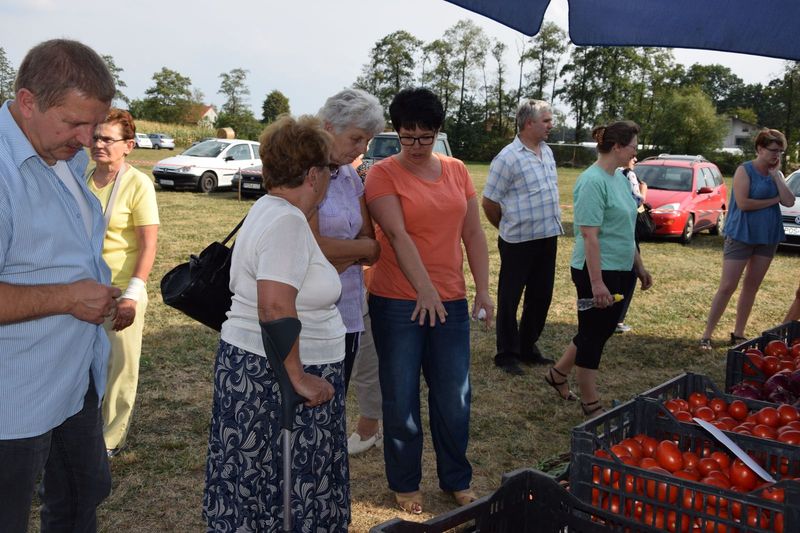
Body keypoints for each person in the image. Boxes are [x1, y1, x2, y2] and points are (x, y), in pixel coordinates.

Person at [204, 115, 349, 532]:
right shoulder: (285, 221)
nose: (330, 179)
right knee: (282, 490)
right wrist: (298, 376)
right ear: (312, 174)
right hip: (274, 379)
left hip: (258, 369)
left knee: (255, 485)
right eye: (330, 171)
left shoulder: (269, 210)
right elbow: (274, 305)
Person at [0, 39, 119, 532]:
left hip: (74, 377)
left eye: (95, 124)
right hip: (14, 399)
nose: (88, 138)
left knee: (81, 495)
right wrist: (70, 297)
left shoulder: (63, 156)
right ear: (28, 102)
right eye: (74, 123)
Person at [365, 87, 494, 514]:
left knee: (454, 397)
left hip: (450, 302)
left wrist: (484, 289)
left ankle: (456, 478)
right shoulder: (382, 174)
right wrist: (423, 290)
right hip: (398, 301)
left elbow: (473, 234)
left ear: (439, 131)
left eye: (425, 136)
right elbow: (397, 235)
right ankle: (404, 482)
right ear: (396, 131)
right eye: (407, 136)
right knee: (400, 397)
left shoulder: (457, 171)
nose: (417, 146)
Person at [545, 121, 653, 418]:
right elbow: (590, 236)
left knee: (599, 330)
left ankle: (557, 374)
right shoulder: (592, 182)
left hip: (621, 268)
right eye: (633, 146)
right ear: (617, 147)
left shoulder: (620, 178)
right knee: (594, 334)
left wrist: (639, 267)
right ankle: (590, 403)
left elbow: (625, 229)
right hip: (596, 271)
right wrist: (597, 284)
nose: (636, 152)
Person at [310, 89, 385, 454]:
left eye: (367, 140)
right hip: (310, 315)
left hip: (350, 311)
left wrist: (341, 253)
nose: (362, 149)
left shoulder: (351, 177)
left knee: (333, 401)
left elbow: (372, 244)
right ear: (328, 126)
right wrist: (350, 251)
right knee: (311, 406)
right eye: (356, 138)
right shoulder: (303, 173)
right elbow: (311, 249)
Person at [87, 109, 159, 456]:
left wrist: (132, 294)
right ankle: (82, 432)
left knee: (119, 369)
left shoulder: (137, 184)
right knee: (83, 365)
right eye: (95, 137)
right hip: (83, 289)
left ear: (128, 146)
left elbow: (148, 245)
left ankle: (109, 441)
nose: (98, 144)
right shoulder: (81, 174)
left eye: (107, 139)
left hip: (119, 290)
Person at [482, 99, 562, 375]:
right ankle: (506, 353)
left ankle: (528, 347)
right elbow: (489, 202)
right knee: (510, 298)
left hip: (547, 236)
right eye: (547, 121)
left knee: (541, 297)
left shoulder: (547, 152)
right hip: (518, 241)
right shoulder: (508, 157)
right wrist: (506, 226)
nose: (551, 125)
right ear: (529, 123)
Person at [700, 129, 795, 350]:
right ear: (760, 149)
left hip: (767, 235)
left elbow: (789, 201)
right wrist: (774, 200)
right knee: (727, 286)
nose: (777, 156)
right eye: (773, 150)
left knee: (751, 286)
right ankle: (707, 334)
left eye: (780, 151)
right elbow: (744, 204)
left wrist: (776, 177)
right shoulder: (745, 170)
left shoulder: (777, 174)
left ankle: (739, 333)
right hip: (741, 233)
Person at [616, 156, 647, 334]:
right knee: (628, 275)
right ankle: (618, 319)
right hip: (628, 229)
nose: (635, 158)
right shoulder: (629, 175)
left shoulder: (609, 173)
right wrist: (644, 191)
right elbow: (636, 202)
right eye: (632, 151)